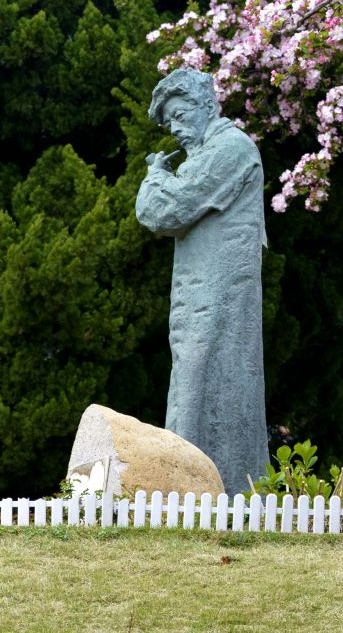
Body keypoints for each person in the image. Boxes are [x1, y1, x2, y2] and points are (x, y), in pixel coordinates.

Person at [134, 68, 268, 494]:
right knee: (198, 382)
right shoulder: (210, 153)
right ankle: (200, 491)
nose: (174, 128)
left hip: (220, 295)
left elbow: (163, 211)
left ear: (204, 105)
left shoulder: (230, 148)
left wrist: (155, 176)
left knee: (208, 382)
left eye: (178, 114)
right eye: (168, 121)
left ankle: (214, 491)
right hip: (202, 294)